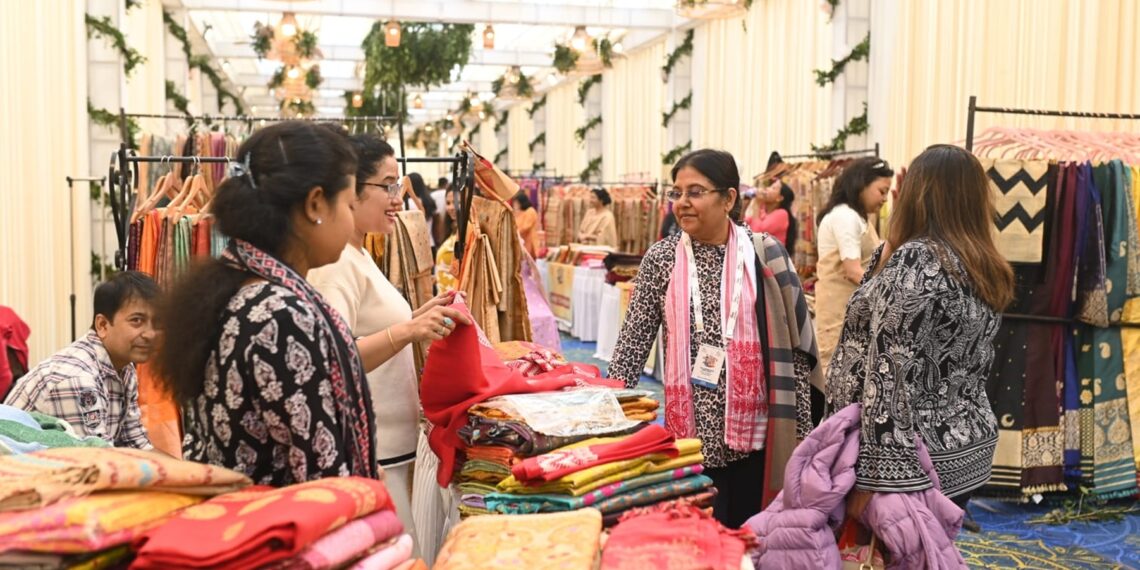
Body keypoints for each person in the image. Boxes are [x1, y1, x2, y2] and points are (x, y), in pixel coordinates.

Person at [153, 121, 377, 485]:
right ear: (316, 203)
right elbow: (321, 475)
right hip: (288, 527)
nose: (352, 218)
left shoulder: (233, 284)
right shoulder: (280, 314)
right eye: (350, 204)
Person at [609, 149, 823, 529]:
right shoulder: (663, 258)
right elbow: (631, 345)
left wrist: (799, 439)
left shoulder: (764, 254)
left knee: (753, 538)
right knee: (698, 542)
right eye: (676, 193)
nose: (683, 203)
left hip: (758, 437)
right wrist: (607, 418)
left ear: (728, 199)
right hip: (690, 443)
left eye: (695, 191)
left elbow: (797, 350)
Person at [828, 145, 1014, 521]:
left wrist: (873, 484)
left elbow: (889, 376)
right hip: (964, 440)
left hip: (913, 461)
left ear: (917, 193)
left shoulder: (918, 260)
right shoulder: (981, 260)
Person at [308, 134, 471, 552]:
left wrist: (419, 316)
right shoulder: (337, 265)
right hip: (376, 453)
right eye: (387, 184)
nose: (398, 197)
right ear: (351, 190)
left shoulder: (360, 254)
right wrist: (408, 331)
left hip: (393, 448)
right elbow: (334, 359)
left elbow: (365, 330)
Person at [5, 271, 158, 449]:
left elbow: (136, 442)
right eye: (137, 321)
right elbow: (97, 459)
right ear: (102, 325)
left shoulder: (125, 368)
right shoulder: (77, 379)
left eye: (157, 323)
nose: (150, 334)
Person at [813, 158, 894, 373]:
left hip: (853, 310)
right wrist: (887, 295)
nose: (885, 198)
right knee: (835, 368)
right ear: (862, 185)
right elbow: (853, 271)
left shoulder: (860, 219)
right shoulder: (845, 216)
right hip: (838, 310)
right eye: (882, 191)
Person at [746, 180, 797, 254]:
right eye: (770, 186)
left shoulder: (782, 214)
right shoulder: (762, 211)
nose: (767, 188)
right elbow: (742, 226)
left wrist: (757, 204)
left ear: (779, 198)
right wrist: (745, 203)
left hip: (770, 264)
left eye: (773, 188)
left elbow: (756, 236)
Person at [435, 190, 460, 293]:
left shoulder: (469, 231)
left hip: (456, 301)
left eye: (456, 202)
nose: (451, 207)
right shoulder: (453, 229)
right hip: (445, 297)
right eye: (448, 203)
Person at [512, 191, 540, 259]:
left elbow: (526, 227)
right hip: (522, 241)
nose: (515, 205)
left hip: (529, 241)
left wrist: (515, 232)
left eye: (517, 203)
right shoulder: (519, 212)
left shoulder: (530, 211)